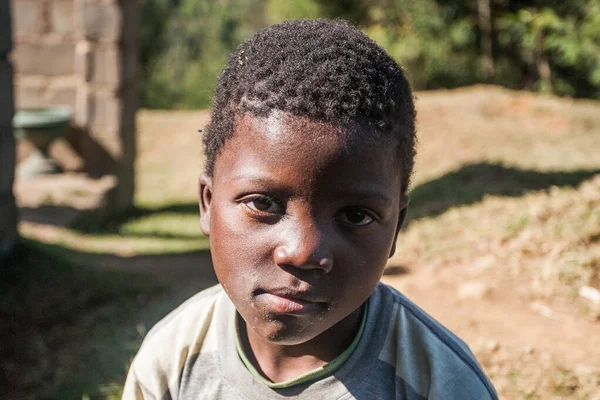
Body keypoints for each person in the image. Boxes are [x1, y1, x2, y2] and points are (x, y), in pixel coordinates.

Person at [123, 19, 498, 400]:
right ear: (208, 203)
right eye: (263, 203)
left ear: (396, 228)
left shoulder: (439, 383)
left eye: (355, 216)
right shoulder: (173, 360)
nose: (302, 252)